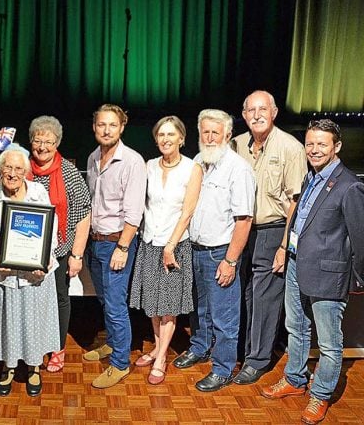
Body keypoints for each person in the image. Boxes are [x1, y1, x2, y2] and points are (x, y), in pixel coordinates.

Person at [260, 119, 364, 424]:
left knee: (330, 343)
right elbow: (300, 221)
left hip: (328, 275)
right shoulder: (310, 178)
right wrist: (284, 249)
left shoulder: (350, 185)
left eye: (322, 144)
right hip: (295, 264)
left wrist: (356, 279)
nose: (314, 150)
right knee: (296, 328)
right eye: (310, 144)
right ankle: (294, 380)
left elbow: (360, 237)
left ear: (337, 147)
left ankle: (319, 395)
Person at [172, 109, 255, 392]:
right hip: (196, 249)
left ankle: (222, 368)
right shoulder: (198, 161)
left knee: (224, 315)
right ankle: (200, 347)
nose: (209, 137)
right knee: (200, 310)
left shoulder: (238, 168)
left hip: (221, 252)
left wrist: (230, 261)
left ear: (228, 135)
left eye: (215, 132)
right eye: (204, 132)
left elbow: (244, 220)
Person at [232, 90, 307, 385]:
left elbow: (296, 203)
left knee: (265, 298)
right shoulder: (236, 144)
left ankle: (258, 360)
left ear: (274, 112)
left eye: (263, 109)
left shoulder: (290, 147)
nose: (257, 114)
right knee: (244, 294)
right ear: (244, 114)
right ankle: (244, 348)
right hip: (241, 230)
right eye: (251, 110)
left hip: (273, 229)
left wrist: (283, 245)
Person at [0, 144, 60, 397]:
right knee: (7, 321)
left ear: (26, 171)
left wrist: (43, 260)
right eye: (8, 167)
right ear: (0, 170)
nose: (13, 173)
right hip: (3, 272)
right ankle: (8, 366)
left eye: (18, 168)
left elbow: (51, 230)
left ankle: (34, 366)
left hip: (35, 273)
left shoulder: (38, 192)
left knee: (34, 320)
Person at [129, 116, 202, 385]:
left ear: (182, 138)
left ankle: (161, 359)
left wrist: (170, 246)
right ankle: (158, 348)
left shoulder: (192, 168)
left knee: (169, 307)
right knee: (153, 305)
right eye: (161, 135)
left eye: (171, 134)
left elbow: (188, 212)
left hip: (175, 246)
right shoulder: (148, 166)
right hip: (150, 243)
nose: (166, 139)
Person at [84, 104, 146, 389]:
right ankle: (112, 343)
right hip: (95, 242)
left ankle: (120, 363)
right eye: (101, 125)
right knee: (104, 300)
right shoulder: (93, 158)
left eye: (112, 125)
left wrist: (122, 248)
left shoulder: (132, 161)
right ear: (94, 127)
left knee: (115, 304)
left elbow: (134, 214)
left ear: (122, 127)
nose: (106, 130)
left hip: (116, 244)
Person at [28, 115, 91, 373]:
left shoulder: (68, 172)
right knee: (29, 299)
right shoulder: (22, 167)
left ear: (57, 143)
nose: (42, 147)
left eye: (48, 142)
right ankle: (31, 345)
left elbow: (84, 213)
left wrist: (76, 255)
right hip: (28, 249)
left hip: (59, 249)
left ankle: (57, 348)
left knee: (59, 298)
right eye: (37, 140)